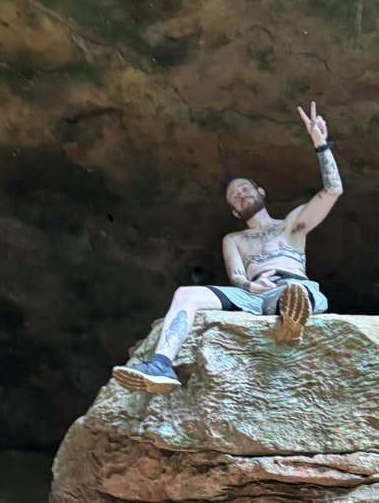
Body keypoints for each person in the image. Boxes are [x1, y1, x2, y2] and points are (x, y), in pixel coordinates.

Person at [112, 101, 343, 393]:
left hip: (290, 285)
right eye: (235, 196)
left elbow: (333, 190)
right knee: (186, 294)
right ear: (235, 211)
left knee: (294, 293)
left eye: (246, 188)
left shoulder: (292, 224)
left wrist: (321, 145)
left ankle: (292, 319)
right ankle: (160, 365)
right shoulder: (234, 239)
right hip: (253, 294)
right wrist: (250, 287)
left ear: (261, 192)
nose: (241, 195)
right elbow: (236, 277)